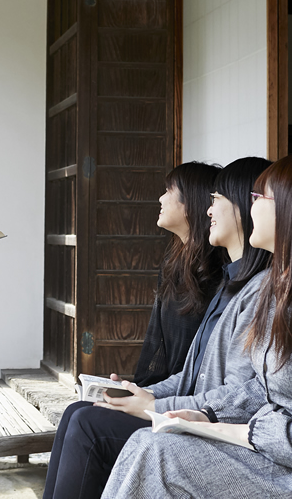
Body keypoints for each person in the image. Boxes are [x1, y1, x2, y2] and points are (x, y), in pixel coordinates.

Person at [43, 157, 271, 499]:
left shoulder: (258, 290)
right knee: (80, 411)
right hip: (192, 411)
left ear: (243, 206)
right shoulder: (230, 283)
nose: (210, 211)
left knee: (89, 425)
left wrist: (155, 405)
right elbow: (192, 373)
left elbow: (242, 396)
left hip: (214, 427)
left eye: (216, 200)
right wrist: (143, 393)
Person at [102, 155, 292, 499]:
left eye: (259, 197)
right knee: (147, 442)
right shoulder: (268, 287)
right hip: (261, 439)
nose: (209, 210)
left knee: (153, 450)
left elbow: (261, 397)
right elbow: (261, 390)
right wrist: (198, 413)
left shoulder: (264, 291)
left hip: (276, 456)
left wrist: (224, 426)